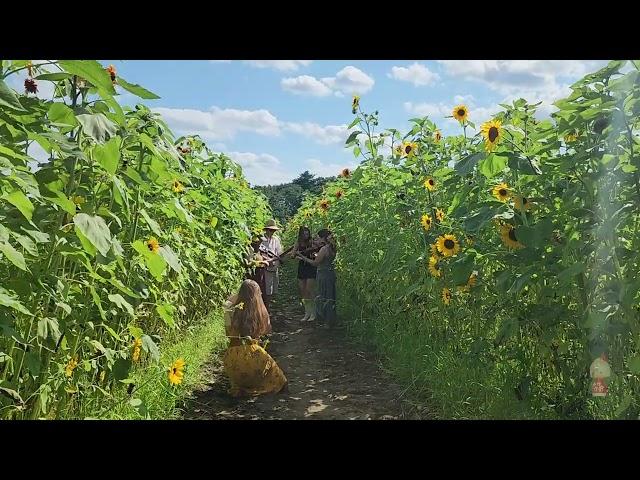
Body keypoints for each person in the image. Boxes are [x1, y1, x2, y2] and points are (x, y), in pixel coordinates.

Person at [222, 280, 287, 396]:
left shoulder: (231, 310)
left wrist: (232, 299)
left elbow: (228, 332)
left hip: (233, 359)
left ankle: (240, 385)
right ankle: (257, 385)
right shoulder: (261, 312)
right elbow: (267, 330)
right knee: (279, 377)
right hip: (255, 357)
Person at [296, 229, 337, 328]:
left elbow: (315, 263)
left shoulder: (324, 249)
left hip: (323, 274)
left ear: (323, 238)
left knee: (323, 296)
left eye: (318, 237)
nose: (316, 239)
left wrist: (302, 256)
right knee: (331, 295)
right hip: (331, 273)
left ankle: (325, 320)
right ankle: (331, 318)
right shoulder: (333, 247)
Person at [284, 226, 319, 322]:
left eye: (307, 233)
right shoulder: (298, 242)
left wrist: (303, 255)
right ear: (301, 234)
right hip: (302, 266)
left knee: (309, 289)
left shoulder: (312, 242)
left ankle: (313, 312)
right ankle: (307, 312)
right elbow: (293, 254)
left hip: (311, 266)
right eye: (304, 233)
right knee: (303, 290)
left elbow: (316, 252)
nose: (306, 235)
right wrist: (297, 255)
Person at [260, 219, 283, 313]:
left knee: (273, 289)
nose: (272, 232)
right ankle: (266, 309)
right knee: (266, 289)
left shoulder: (276, 240)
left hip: (274, 266)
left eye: (273, 230)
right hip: (265, 267)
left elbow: (279, 252)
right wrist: (266, 260)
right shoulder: (261, 239)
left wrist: (280, 258)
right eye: (270, 230)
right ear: (266, 230)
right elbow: (259, 252)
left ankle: (268, 307)